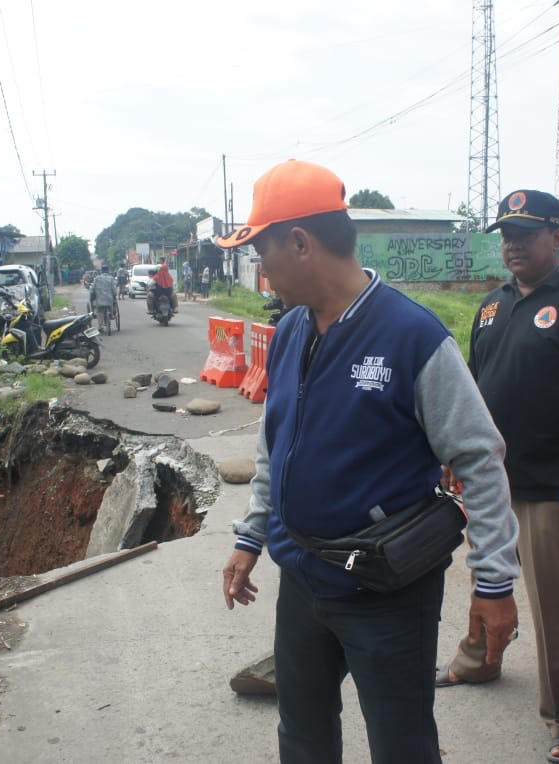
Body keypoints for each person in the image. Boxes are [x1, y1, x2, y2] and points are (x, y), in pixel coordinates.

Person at [219, 159, 520, 763]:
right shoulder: (289, 332)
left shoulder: (412, 336)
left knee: (401, 743)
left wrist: (493, 581)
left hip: (387, 589)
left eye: (263, 253)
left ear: (301, 243)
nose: (262, 272)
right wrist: (252, 536)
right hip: (303, 576)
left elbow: (480, 458)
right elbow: (274, 443)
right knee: (301, 734)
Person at [435, 189, 559, 764]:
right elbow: (471, 389)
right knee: (484, 576)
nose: (512, 243)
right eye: (505, 234)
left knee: (556, 605)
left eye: (525, 232)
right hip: (491, 479)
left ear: (557, 238)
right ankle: (479, 661)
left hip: (553, 486)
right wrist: (452, 449)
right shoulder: (491, 306)